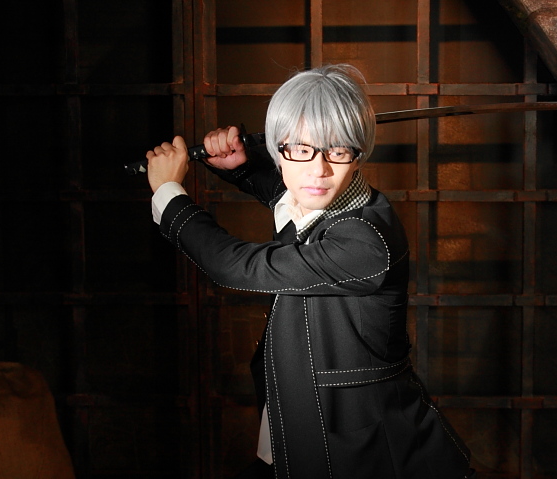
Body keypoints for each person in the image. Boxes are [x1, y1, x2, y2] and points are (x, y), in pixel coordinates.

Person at [146, 64, 474, 479]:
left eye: (338, 150)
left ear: (358, 153)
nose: (319, 170)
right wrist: (239, 166)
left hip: (361, 451)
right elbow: (284, 192)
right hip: (295, 424)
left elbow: (236, 265)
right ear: (278, 149)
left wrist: (169, 193)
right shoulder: (318, 197)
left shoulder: (365, 243)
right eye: (301, 149)